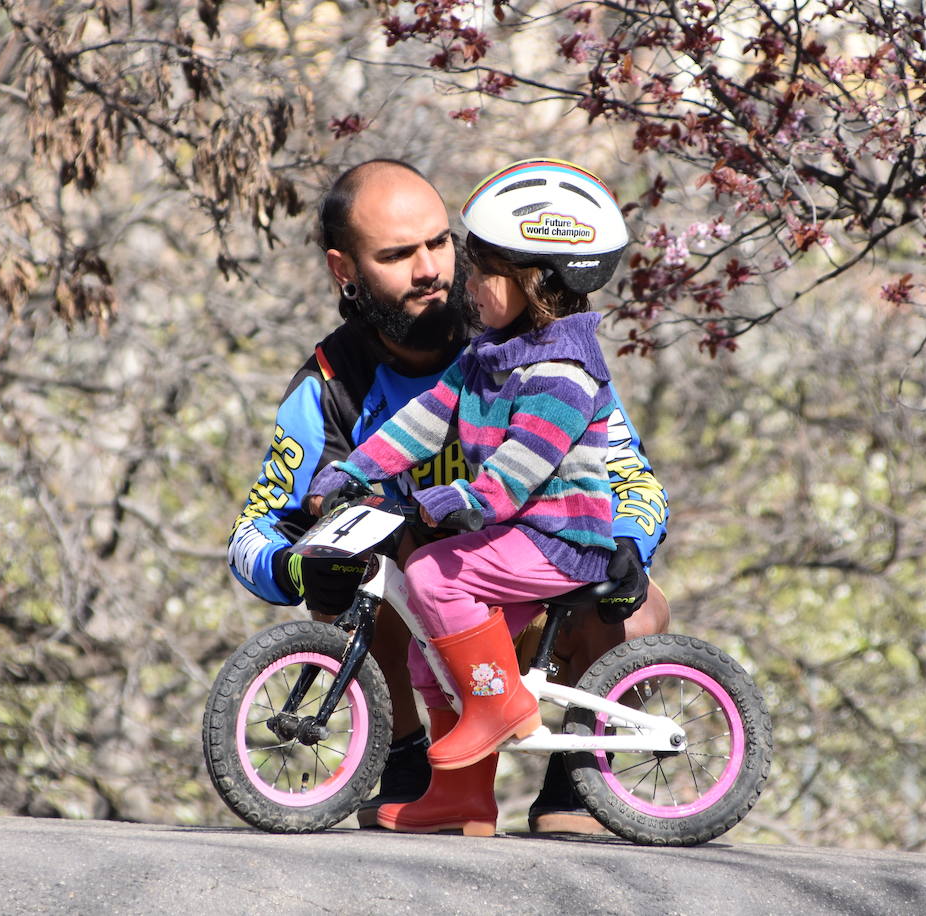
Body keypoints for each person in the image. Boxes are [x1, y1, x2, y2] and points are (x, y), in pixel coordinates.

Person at [226, 158, 670, 833]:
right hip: (432, 621)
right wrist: (297, 565)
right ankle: (416, 764)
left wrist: (628, 548)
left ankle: (577, 780)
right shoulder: (330, 386)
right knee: (369, 570)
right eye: (398, 255)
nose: (431, 269)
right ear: (345, 270)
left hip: (532, 586)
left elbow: (632, 478)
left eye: (440, 243)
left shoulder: (526, 341)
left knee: (639, 606)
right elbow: (251, 534)